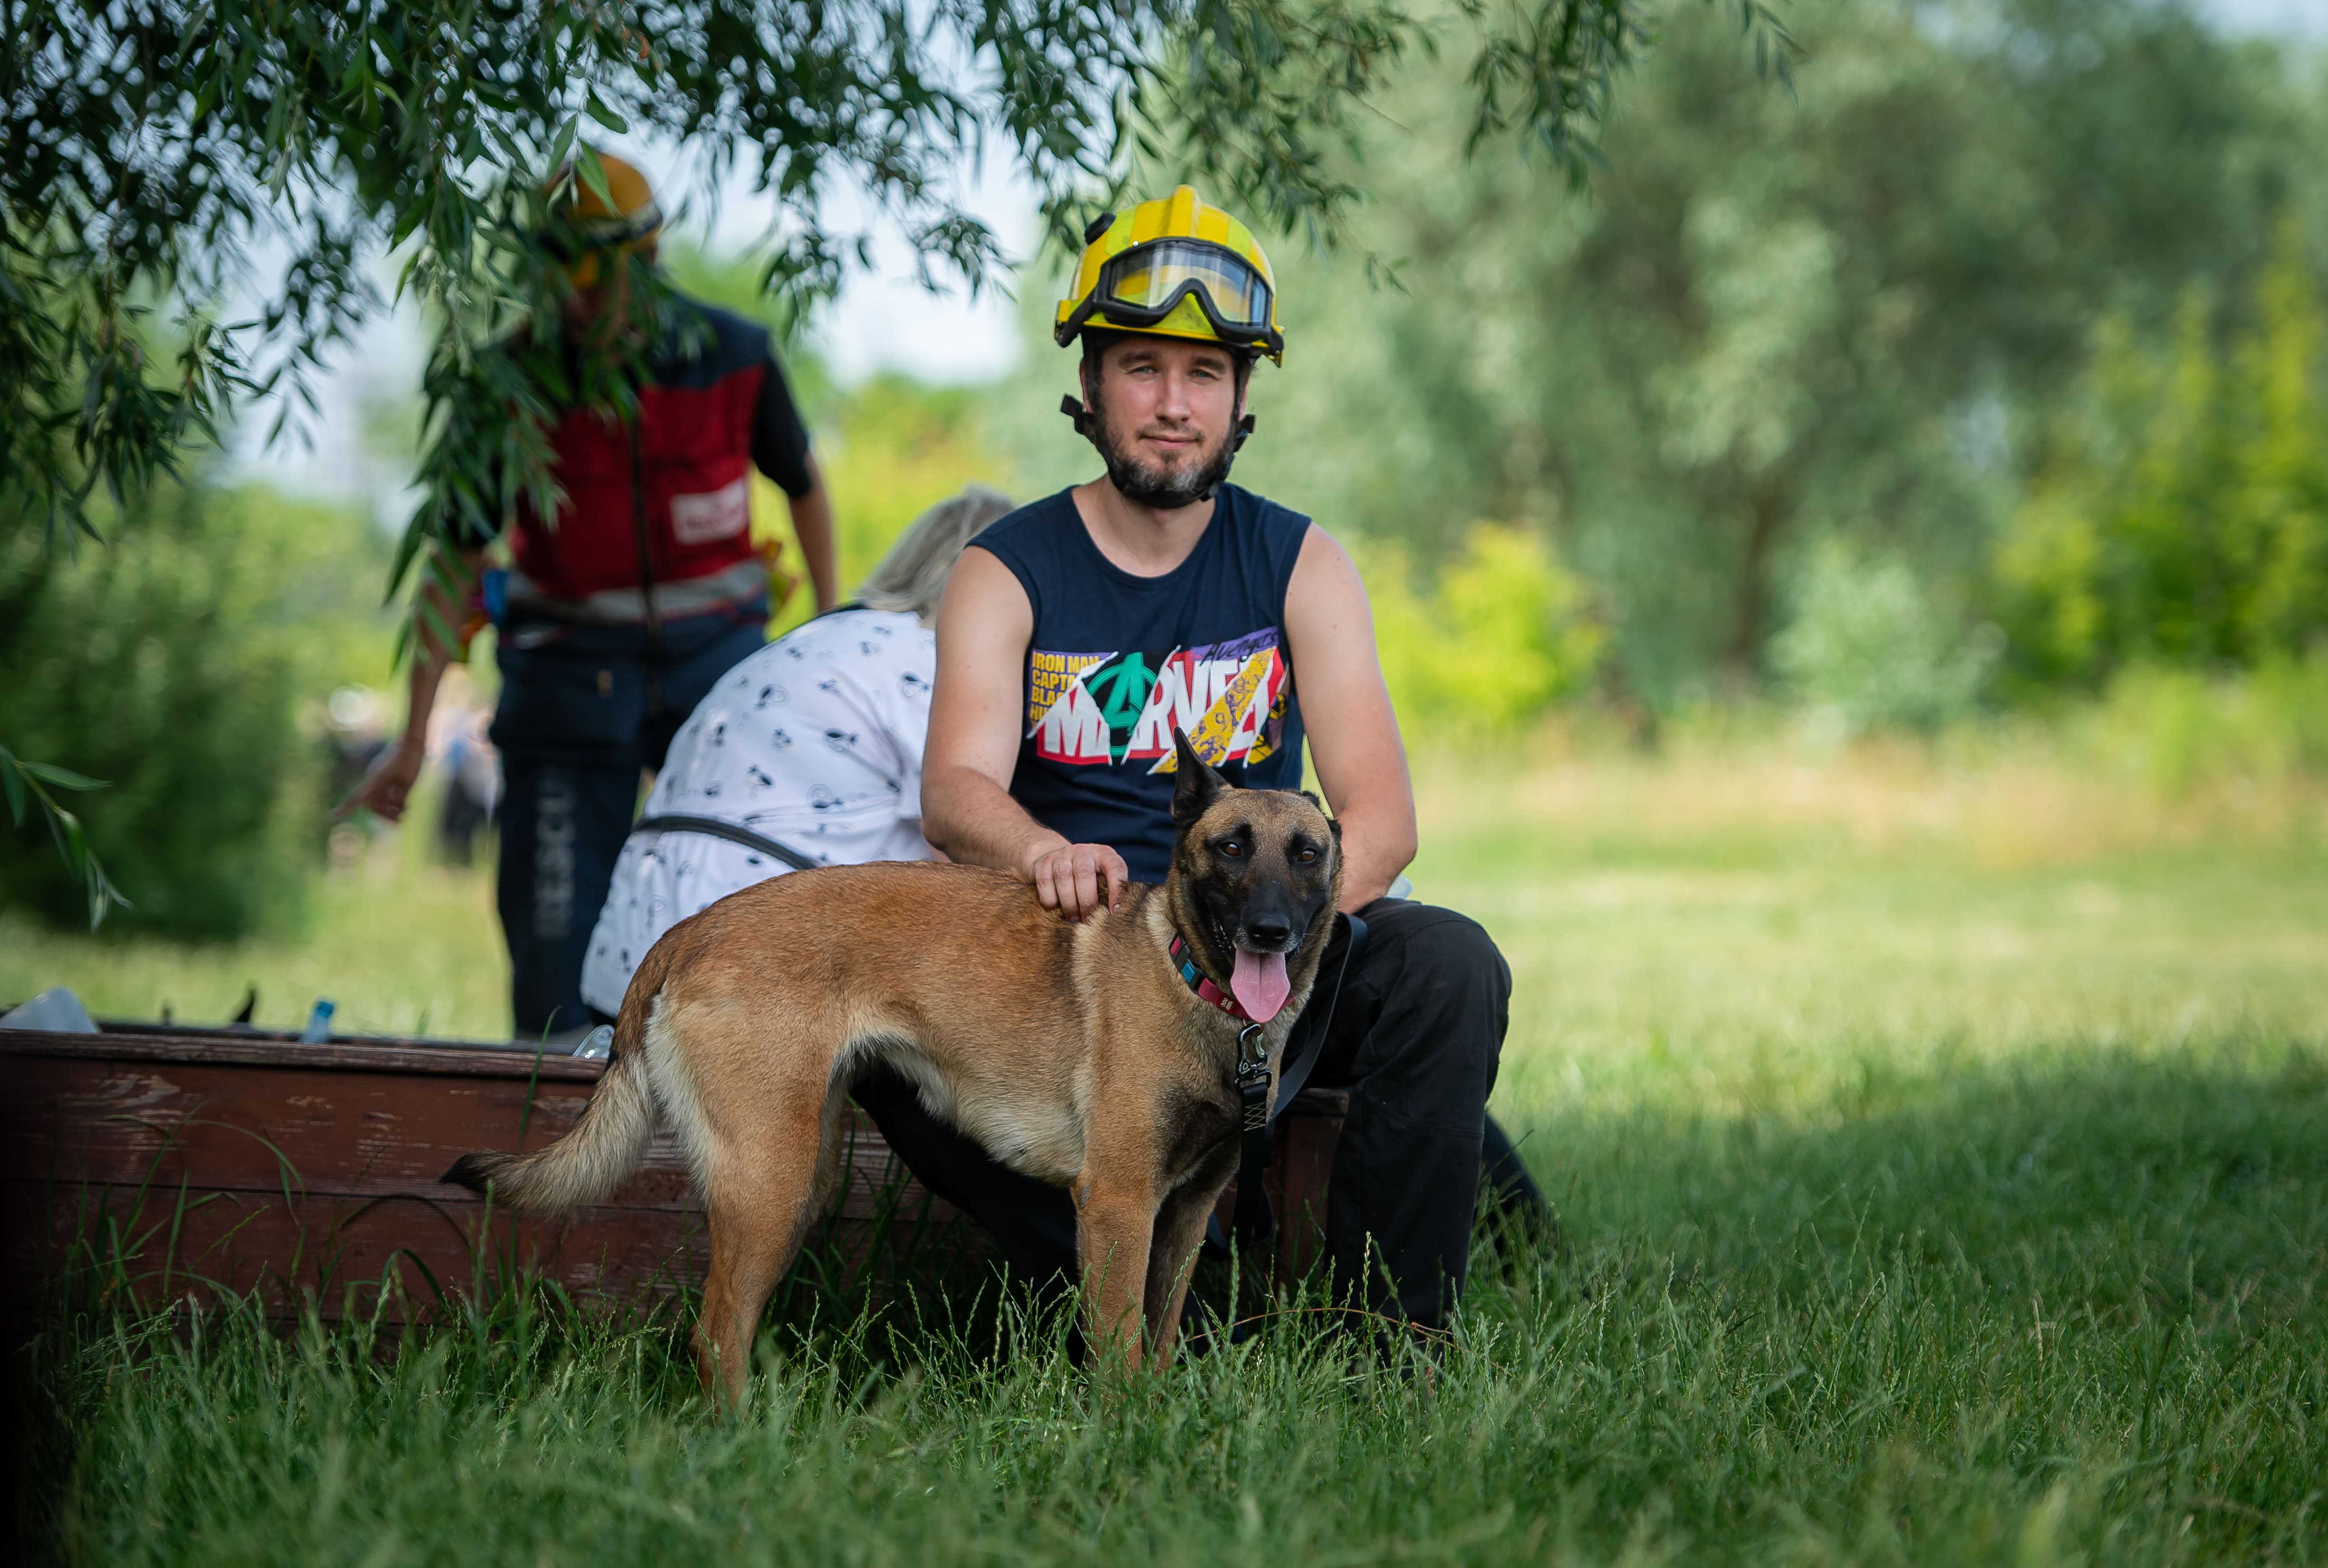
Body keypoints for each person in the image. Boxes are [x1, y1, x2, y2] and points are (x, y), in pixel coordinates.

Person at [899, 185, 1535, 1343]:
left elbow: (1378, 816)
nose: (1172, 405)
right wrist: (1042, 850)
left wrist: (1275, 948)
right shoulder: (1004, 567)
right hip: (1082, 964)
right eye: (1142, 368)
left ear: (1241, 399)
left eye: (1205, 375)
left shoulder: (1302, 560)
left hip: (1269, 941)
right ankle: (1159, 1321)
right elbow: (951, 794)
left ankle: (1383, 1337)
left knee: (1449, 963)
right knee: (898, 1045)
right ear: (1089, 388)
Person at [340, 149, 838, 1041]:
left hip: (717, 669)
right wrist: (412, 740)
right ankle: (558, 1110)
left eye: (584, 277)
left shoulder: (735, 357)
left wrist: (829, 630)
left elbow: (803, 483)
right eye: (551, 275)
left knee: (755, 912)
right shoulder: (505, 387)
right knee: (556, 943)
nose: (568, 300)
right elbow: (451, 560)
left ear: (642, 262)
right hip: (566, 682)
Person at [578, 487, 1015, 1018]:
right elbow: (966, 844)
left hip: (628, 948)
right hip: (748, 962)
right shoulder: (934, 660)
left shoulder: (809, 640)